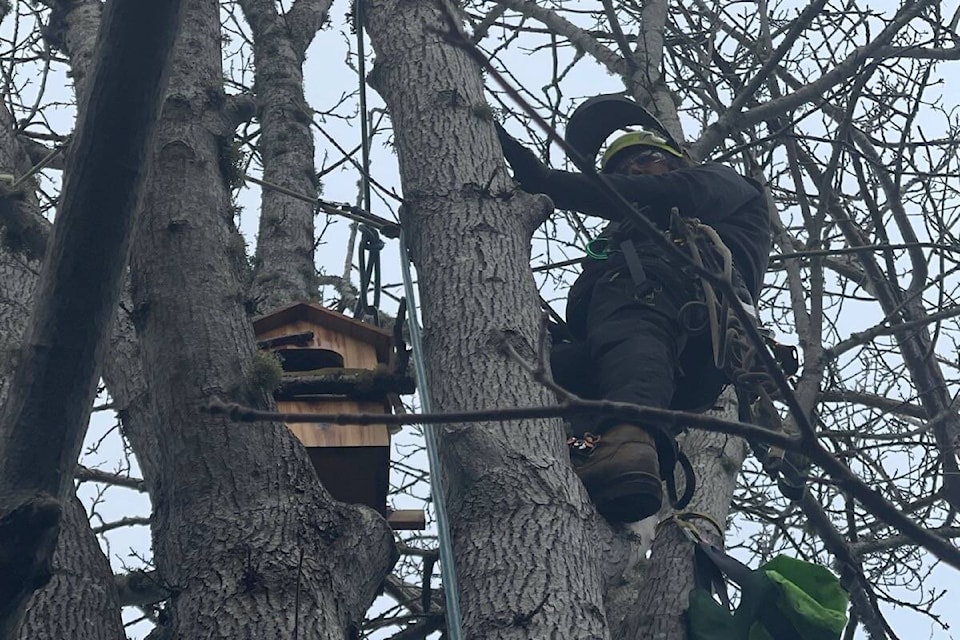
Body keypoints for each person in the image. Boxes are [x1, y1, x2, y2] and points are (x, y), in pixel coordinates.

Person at [496, 107, 771, 524]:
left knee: (631, 311)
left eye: (646, 159)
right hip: (652, 373)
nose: (635, 171)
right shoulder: (618, 239)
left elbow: (676, 194)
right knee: (544, 369)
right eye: (622, 168)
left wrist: (550, 183)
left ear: (676, 161)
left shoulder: (722, 184)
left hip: (672, 314)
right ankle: (589, 453)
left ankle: (630, 439)